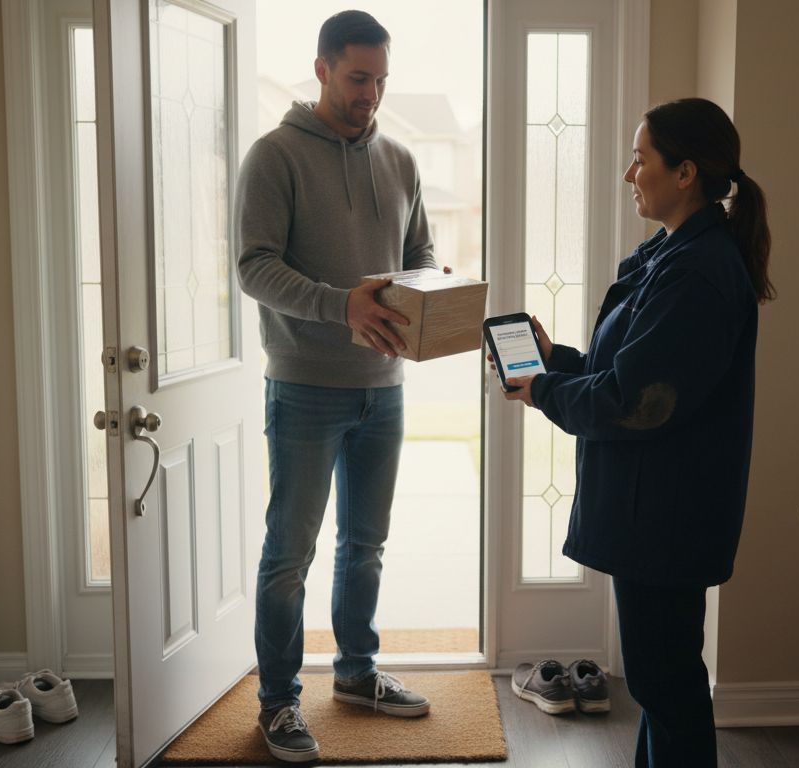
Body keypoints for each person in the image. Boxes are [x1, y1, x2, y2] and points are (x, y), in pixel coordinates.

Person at [496, 97, 774, 767]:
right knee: (660, 682)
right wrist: (554, 359)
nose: (629, 174)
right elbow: (628, 370)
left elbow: (637, 402)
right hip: (656, 510)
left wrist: (545, 390)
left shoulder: (699, 272)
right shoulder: (672, 254)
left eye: (640, 158)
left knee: (666, 684)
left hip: (667, 516)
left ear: (684, 173)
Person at [234, 10, 441, 764]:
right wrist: (340, 303)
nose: (371, 95)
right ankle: (278, 704)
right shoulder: (275, 156)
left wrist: (430, 297)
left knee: (367, 546)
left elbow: (419, 252)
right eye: (359, 79)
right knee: (290, 553)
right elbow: (254, 266)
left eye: (382, 81)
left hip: (383, 388)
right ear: (321, 69)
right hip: (305, 387)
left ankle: (356, 675)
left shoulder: (403, 160)